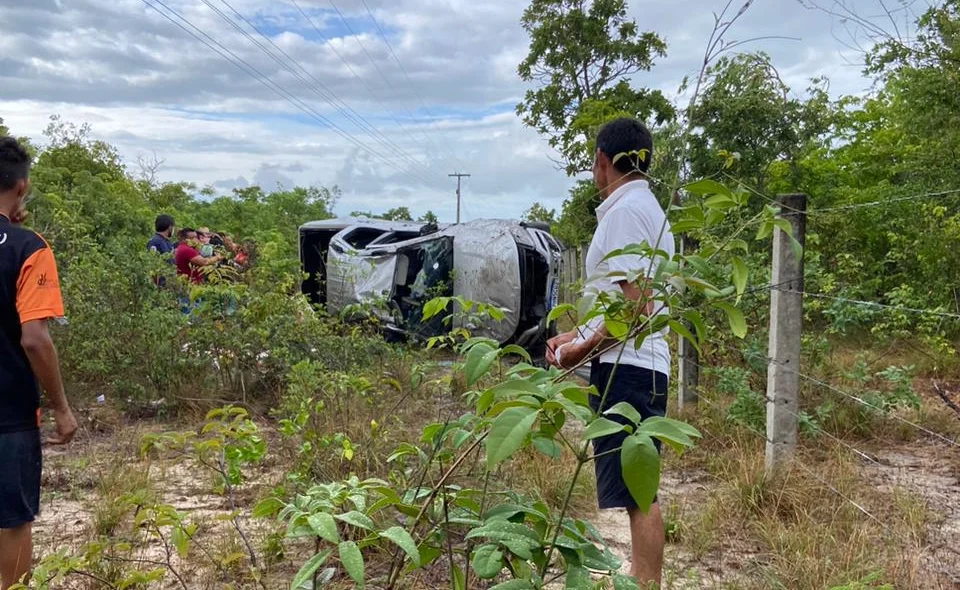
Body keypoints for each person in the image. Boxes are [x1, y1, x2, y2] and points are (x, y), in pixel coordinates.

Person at [545, 118, 675, 588]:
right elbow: (624, 303)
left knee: (640, 495)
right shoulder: (648, 208)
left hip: (628, 370)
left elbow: (635, 310)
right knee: (640, 490)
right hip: (645, 366)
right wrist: (575, 334)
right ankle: (644, 579)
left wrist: (578, 351)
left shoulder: (622, 213)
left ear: (602, 161)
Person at [0, 136, 78, 590]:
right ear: (22, 186)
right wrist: (61, 406)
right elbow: (35, 339)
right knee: (12, 521)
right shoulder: (27, 247)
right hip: (9, 412)